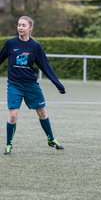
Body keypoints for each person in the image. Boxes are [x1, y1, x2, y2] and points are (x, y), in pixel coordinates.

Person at [0, 16, 66, 154]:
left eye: (23, 25)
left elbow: (45, 66)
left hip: (31, 85)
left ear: (30, 28)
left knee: (42, 112)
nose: (20, 28)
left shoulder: (35, 47)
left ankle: (51, 139)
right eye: (19, 25)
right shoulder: (10, 44)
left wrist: (57, 83)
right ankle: (8, 145)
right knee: (13, 115)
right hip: (14, 85)